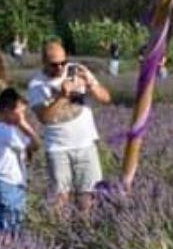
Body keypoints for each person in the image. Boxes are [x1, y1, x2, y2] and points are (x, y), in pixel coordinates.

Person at [27, 40, 112, 214]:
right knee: (60, 198)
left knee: (89, 196)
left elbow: (106, 98)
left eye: (63, 62)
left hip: (85, 144)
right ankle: (59, 227)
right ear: (43, 62)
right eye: (54, 64)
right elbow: (44, 118)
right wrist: (62, 96)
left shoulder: (78, 70)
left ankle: (85, 227)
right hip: (57, 148)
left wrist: (90, 85)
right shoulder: (36, 85)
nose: (60, 68)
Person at [0, 88, 40, 234]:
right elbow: (35, 144)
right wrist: (23, 124)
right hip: (9, 184)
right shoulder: (5, 130)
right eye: (20, 112)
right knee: (11, 227)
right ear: (7, 111)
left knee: (1, 224)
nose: (22, 116)